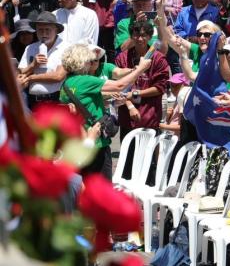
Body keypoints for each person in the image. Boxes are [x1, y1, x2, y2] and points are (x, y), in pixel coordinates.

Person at [60, 43, 152, 179]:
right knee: (102, 189)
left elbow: (85, 104)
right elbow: (119, 85)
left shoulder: (66, 83)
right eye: (89, 61)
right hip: (96, 143)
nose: (91, 64)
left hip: (79, 141)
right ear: (81, 62)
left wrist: (111, 102)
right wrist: (141, 69)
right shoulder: (84, 80)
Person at [115, 20, 169, 141]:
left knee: (147, 158)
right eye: (136, 35)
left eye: (144, 35)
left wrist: (136, 93)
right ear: (131, 36)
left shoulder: (159, 59)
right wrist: (130, 106)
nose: (140, 39)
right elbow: (118, 87)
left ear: (150, 36)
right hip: (127, 117)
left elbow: (160, 87)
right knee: (128, 157)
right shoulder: (122, 58)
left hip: (149, 116)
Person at [18, 11, 68, 109]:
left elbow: (58, 76)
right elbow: (19, 73)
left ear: (56, 30)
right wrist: (33, 65)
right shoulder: (30, 48)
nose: (44, 34)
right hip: (33, 102)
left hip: (56, 100)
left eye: (47, 30)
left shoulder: (66, 48)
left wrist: (30, 78)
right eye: (40, 30)